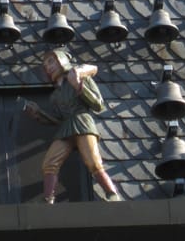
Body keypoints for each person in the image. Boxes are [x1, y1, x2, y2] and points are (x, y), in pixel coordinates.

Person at [22, 49, 121, 203]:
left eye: (51, 61)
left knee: (93, 162)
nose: (48, 67)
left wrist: (79, 86)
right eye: (46, 65)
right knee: (49, 163)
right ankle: (48, 199)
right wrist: (38, 114)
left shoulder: (81, 77)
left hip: (83, 122)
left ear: (62, 60)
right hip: (66, 128)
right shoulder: (55, 96)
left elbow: (98, 105)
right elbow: (58, 120)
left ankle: (112, 194)